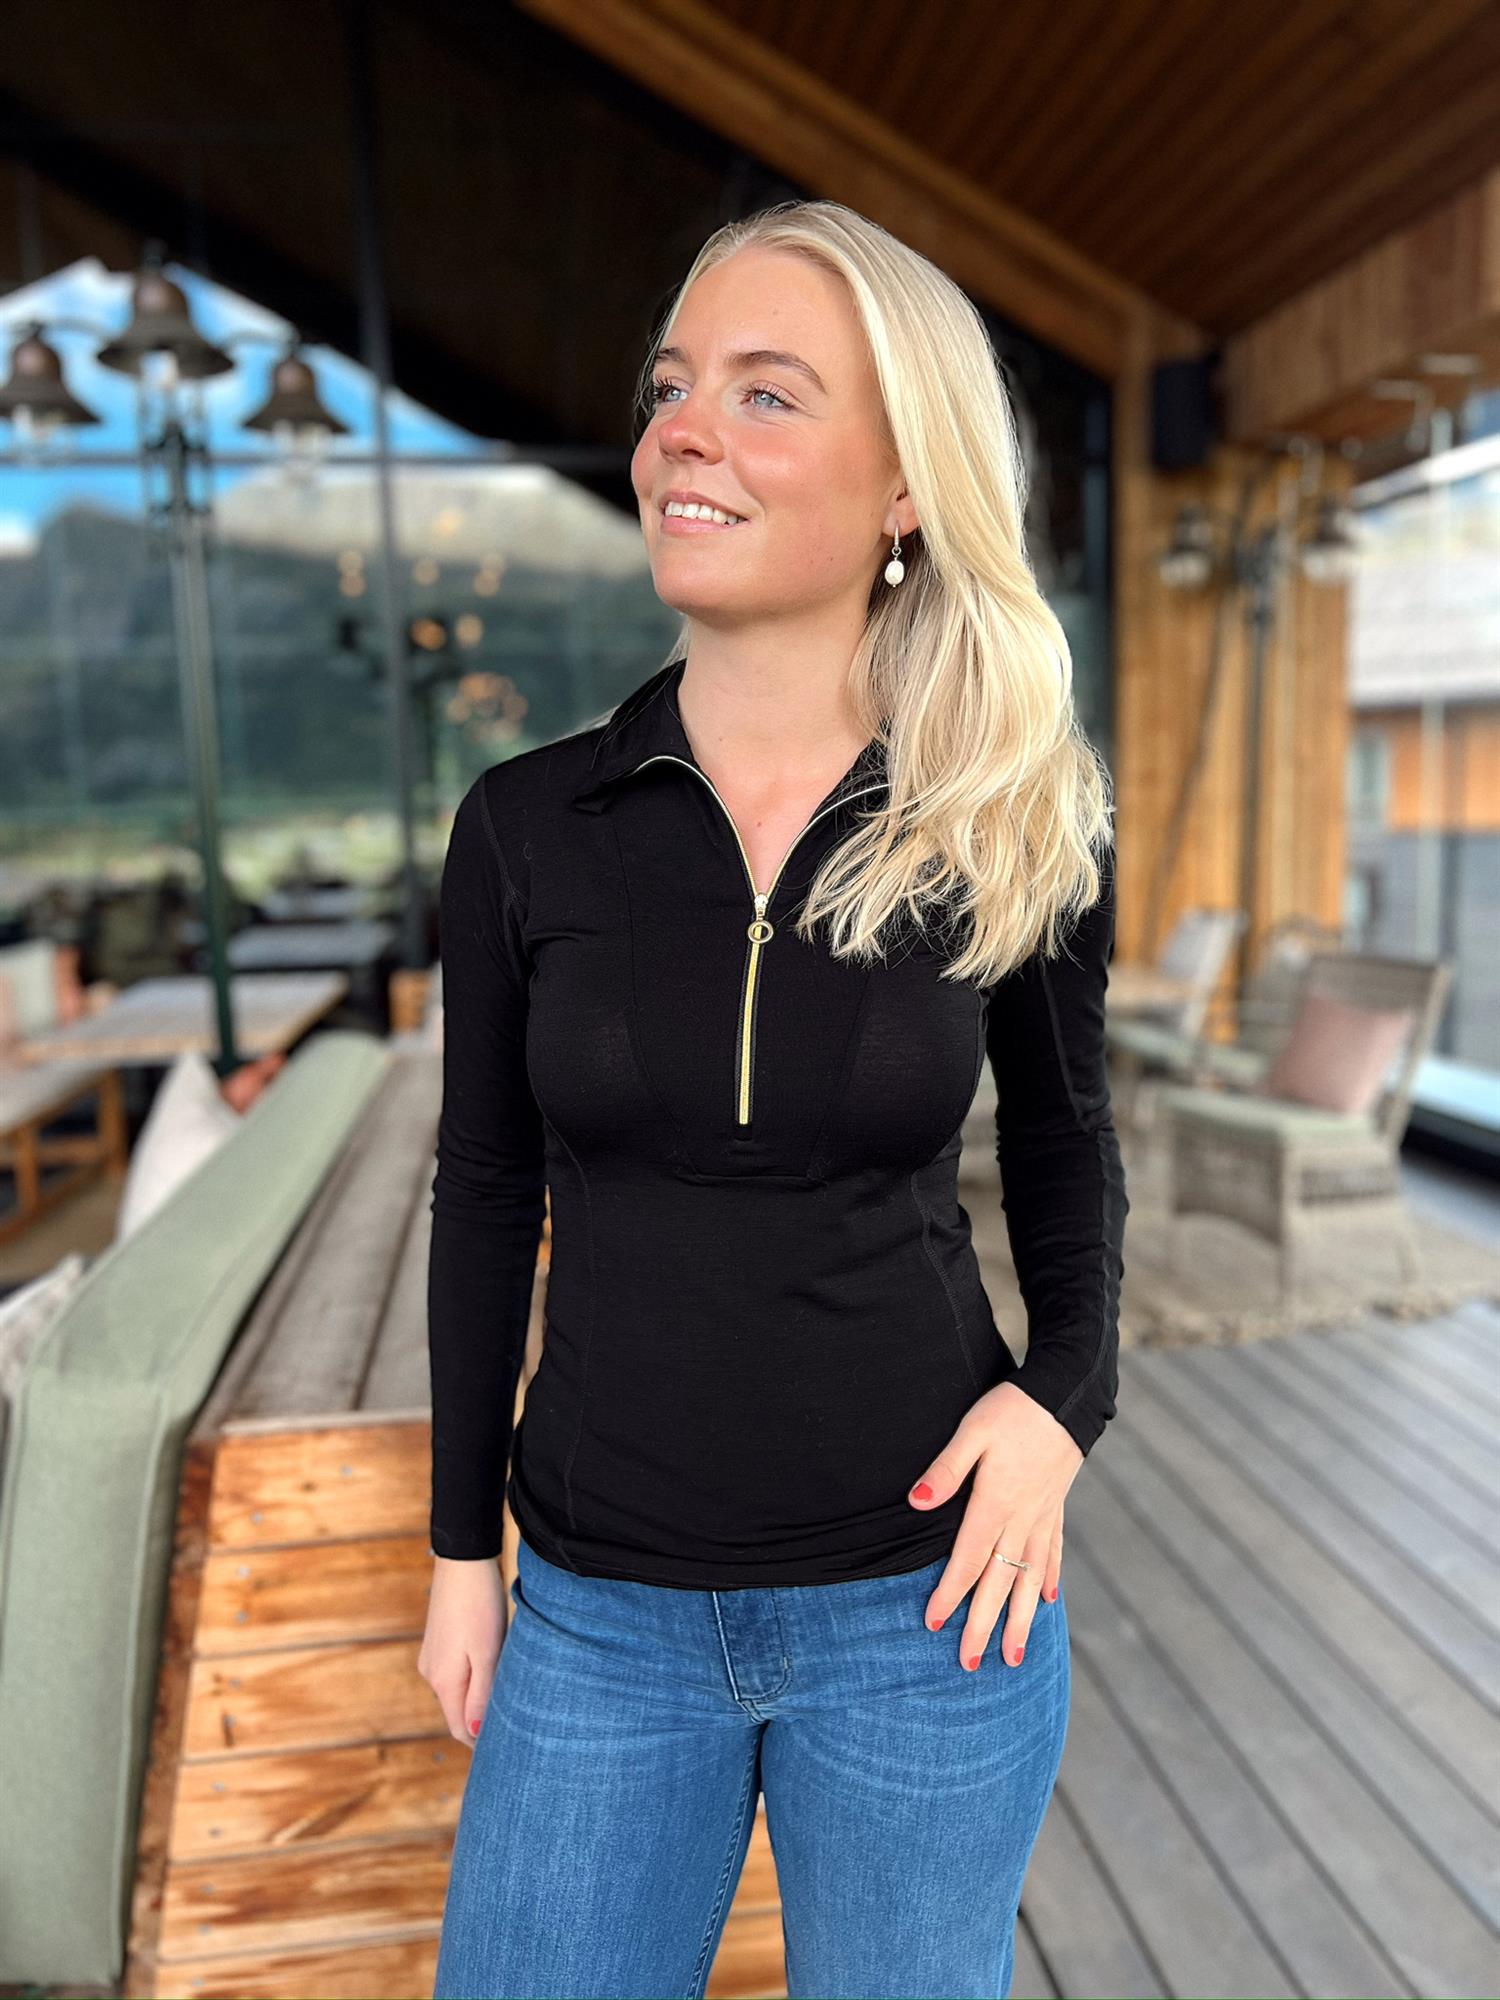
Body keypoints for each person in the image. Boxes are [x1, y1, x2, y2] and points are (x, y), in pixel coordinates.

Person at [420, 198, 1128, 2000]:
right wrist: (458, 1552)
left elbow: (1067, 1144)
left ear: (904, 487)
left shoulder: (1007, 812)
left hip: (929, 1612)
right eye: (672, 388)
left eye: (766, 393)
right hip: (598, 1617)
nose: (685, 431)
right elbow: (485, 1188)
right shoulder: (525, 825)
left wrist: (1063, 1403)